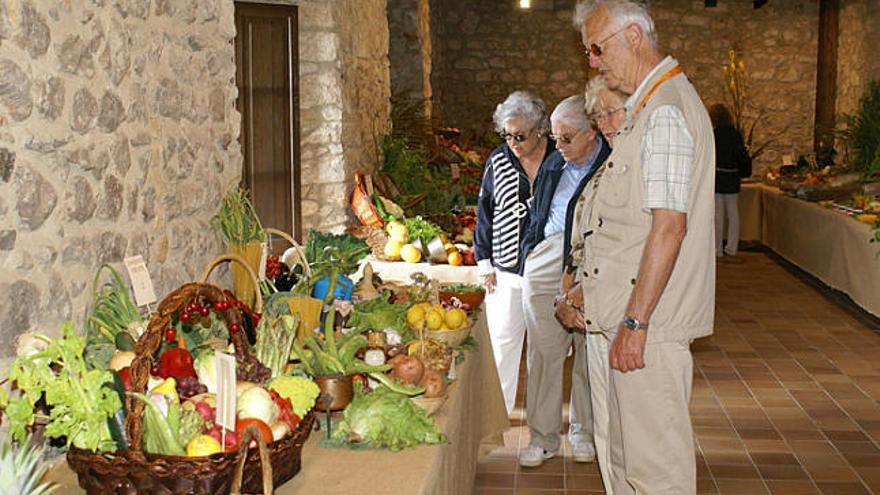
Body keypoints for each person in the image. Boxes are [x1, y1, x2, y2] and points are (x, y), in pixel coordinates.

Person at [573, 1, 716, 494]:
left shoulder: (666, 112)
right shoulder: (649, 107)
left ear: (632, 36)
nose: (592, 61)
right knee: (628, 461)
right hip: (628, 320)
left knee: (655, 471)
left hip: (647, 328)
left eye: (596, 47)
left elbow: (668, 229)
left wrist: (635, 324)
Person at [517, 94, 610, 467]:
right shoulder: (556, 160)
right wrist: (531, 253)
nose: (558, 146)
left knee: (589, 349)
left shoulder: (613, 163)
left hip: (592, 261)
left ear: (593, 131)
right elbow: (538, 210)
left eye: (567, 138)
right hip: (546, 258)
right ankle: (543, 437)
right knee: (543, 352)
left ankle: (583, 431)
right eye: (555, 137)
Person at [555, 76, 627, 492]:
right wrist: (569, 284)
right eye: (600, 115)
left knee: (625, 425)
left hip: (618, 308)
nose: (606, 123)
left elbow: (630, 245)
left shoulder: (628, 163)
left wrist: (578, 293)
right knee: (609, 422)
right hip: (593, 300)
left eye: (611, 112)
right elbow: (582, 232)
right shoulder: (614, 163)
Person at [475, 90, 557, 416]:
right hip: (506, 268)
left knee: (545, 350)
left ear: (540, 130)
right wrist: (484, 261)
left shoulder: (559, 159)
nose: (513, 142)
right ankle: (499, 412)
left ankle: (543, 418)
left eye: (520, 135)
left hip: (548, 270)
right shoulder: (498, 161)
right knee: (503, 343)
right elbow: (485, 212)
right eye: (507, 134)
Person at [709, 103, 751, 261]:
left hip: (718, 177)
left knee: (718, 214)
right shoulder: (735, 134)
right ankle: (732, 248)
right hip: (732, 177)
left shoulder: (714, 134)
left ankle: (717, 249)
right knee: (733, 214)